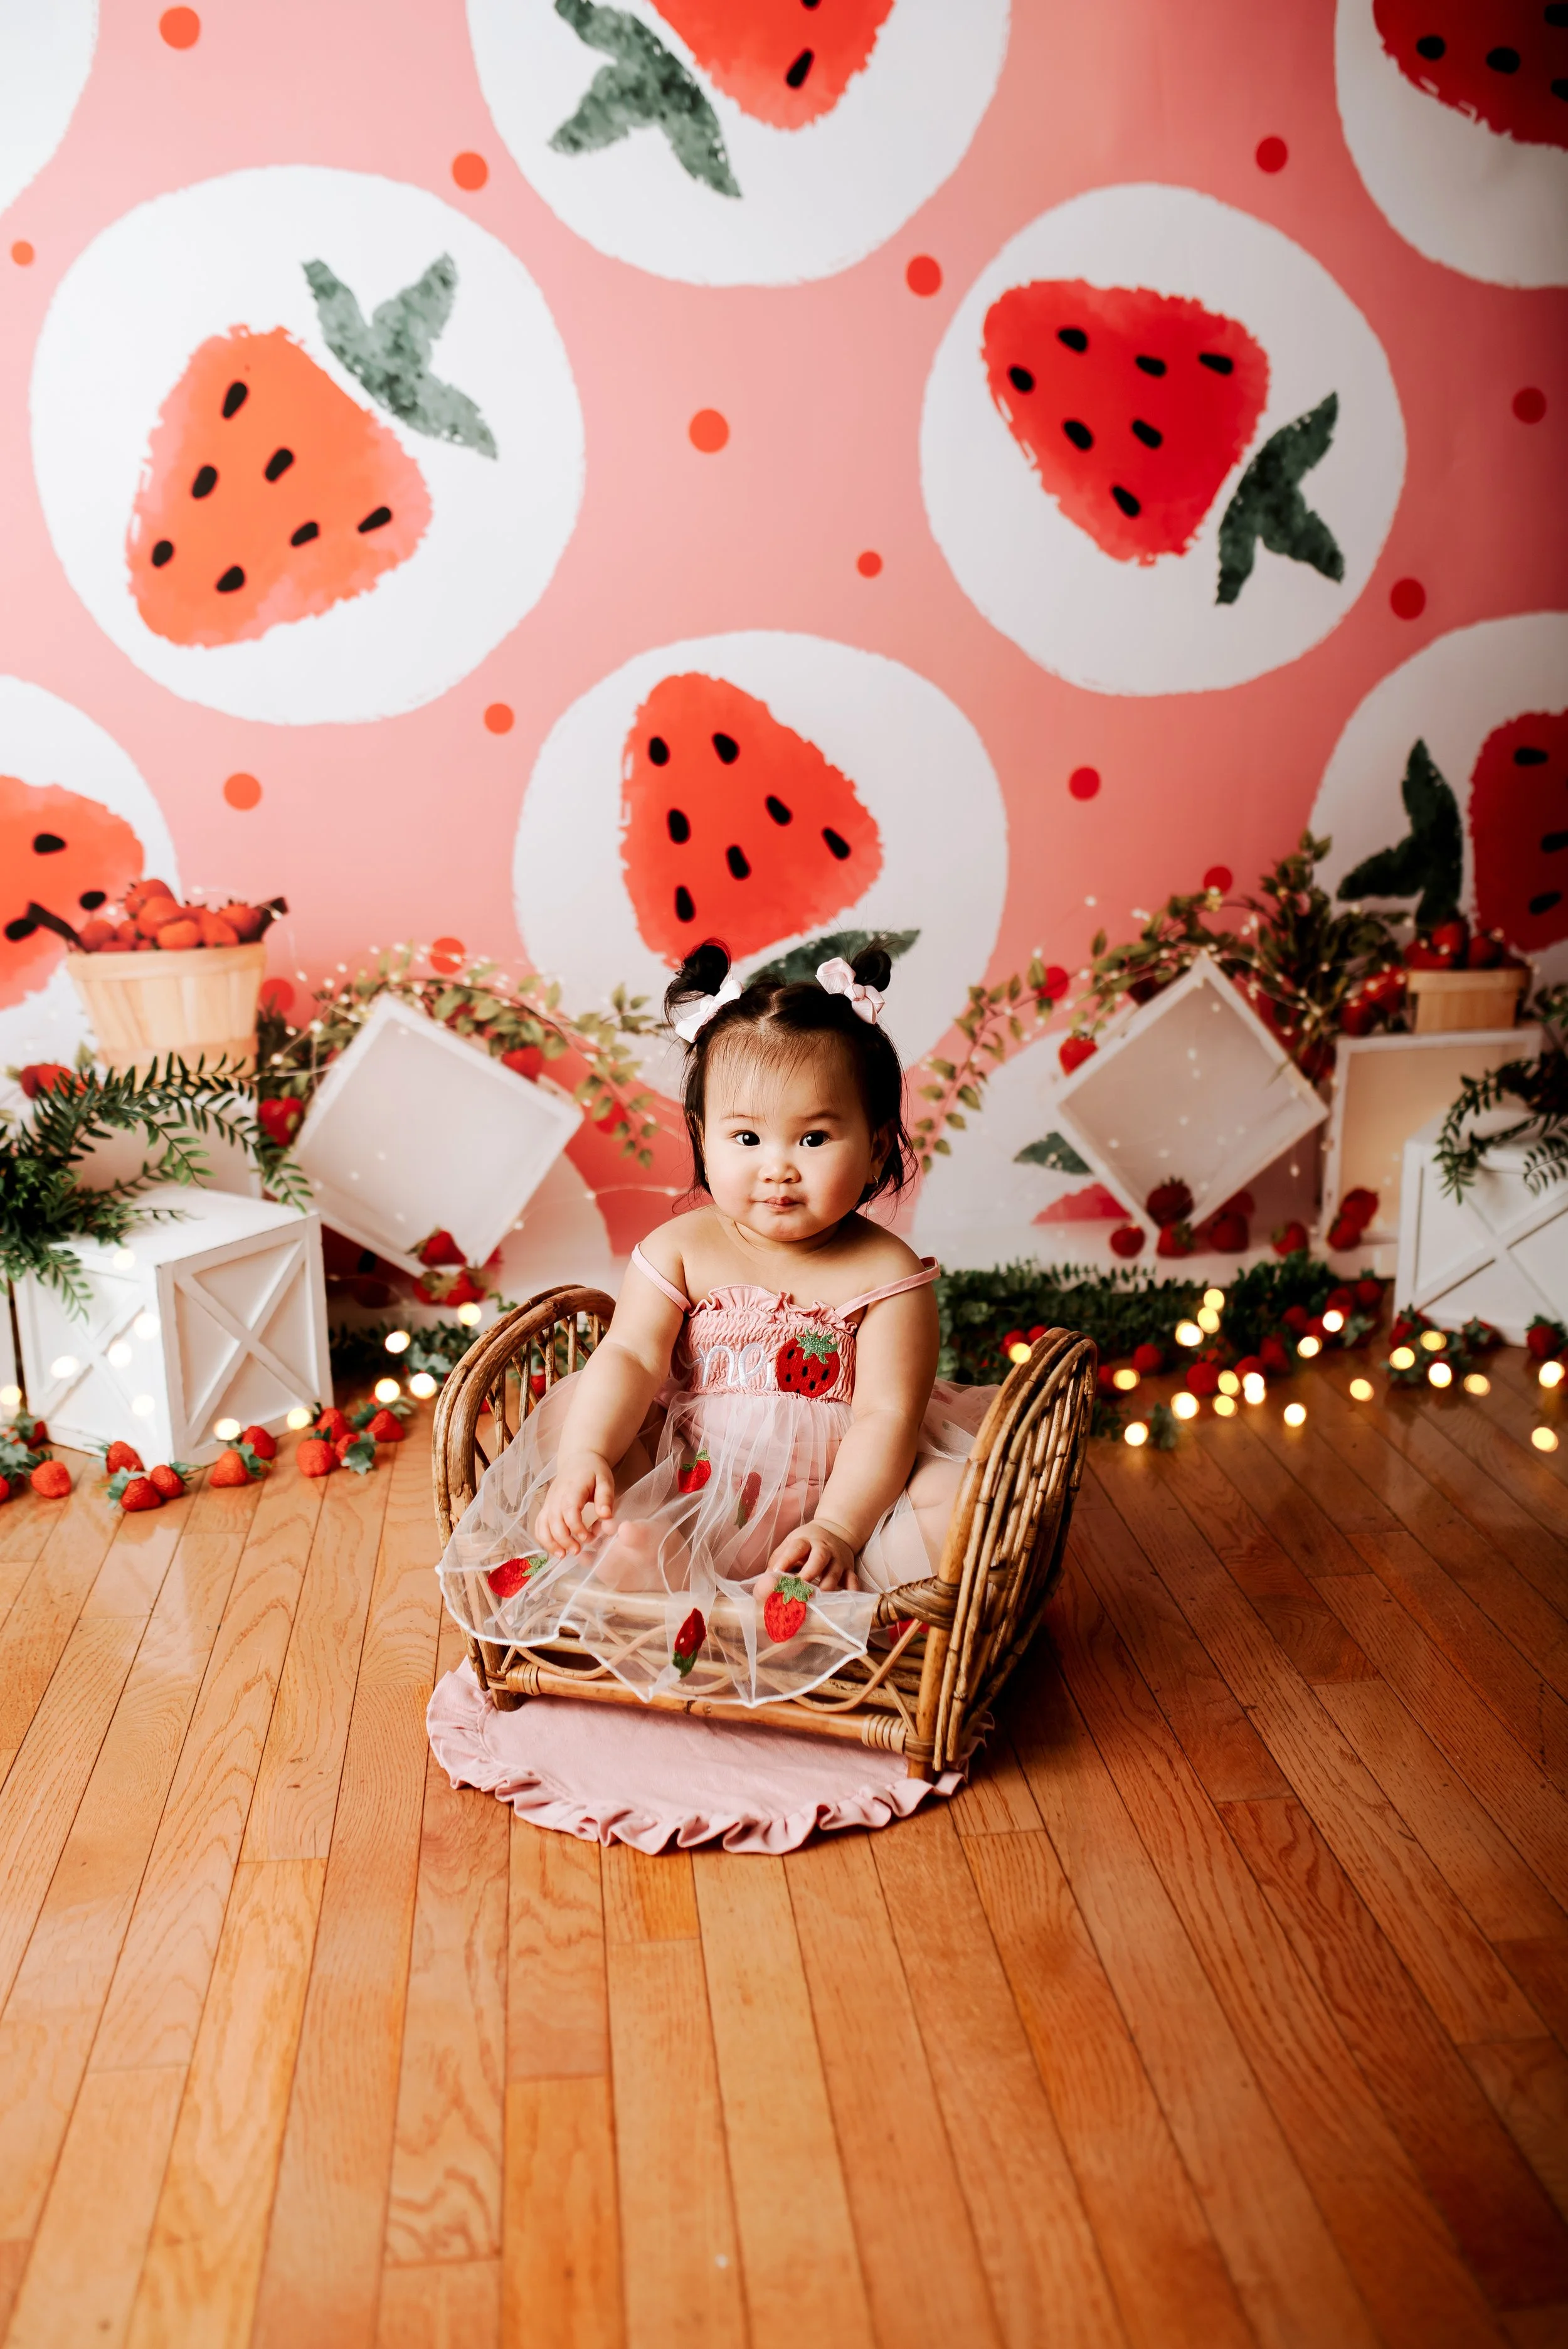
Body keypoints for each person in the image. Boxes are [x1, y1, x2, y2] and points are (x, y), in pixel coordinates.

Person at [435, 940, 997, 1705]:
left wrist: (837, 1528)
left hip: (843, 1493)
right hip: (695, 1479)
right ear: (701, 1138)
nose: (778, 1166)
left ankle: (828, 1601)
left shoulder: (889, 1277)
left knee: (956, 1496)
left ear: (875, 1150)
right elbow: (631, 1356)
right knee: (591, 1446)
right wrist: (588, 1458)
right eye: (746, 1137)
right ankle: (656, 1571)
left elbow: (888, 1415)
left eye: (814, 1137)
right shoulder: (680, 1248)